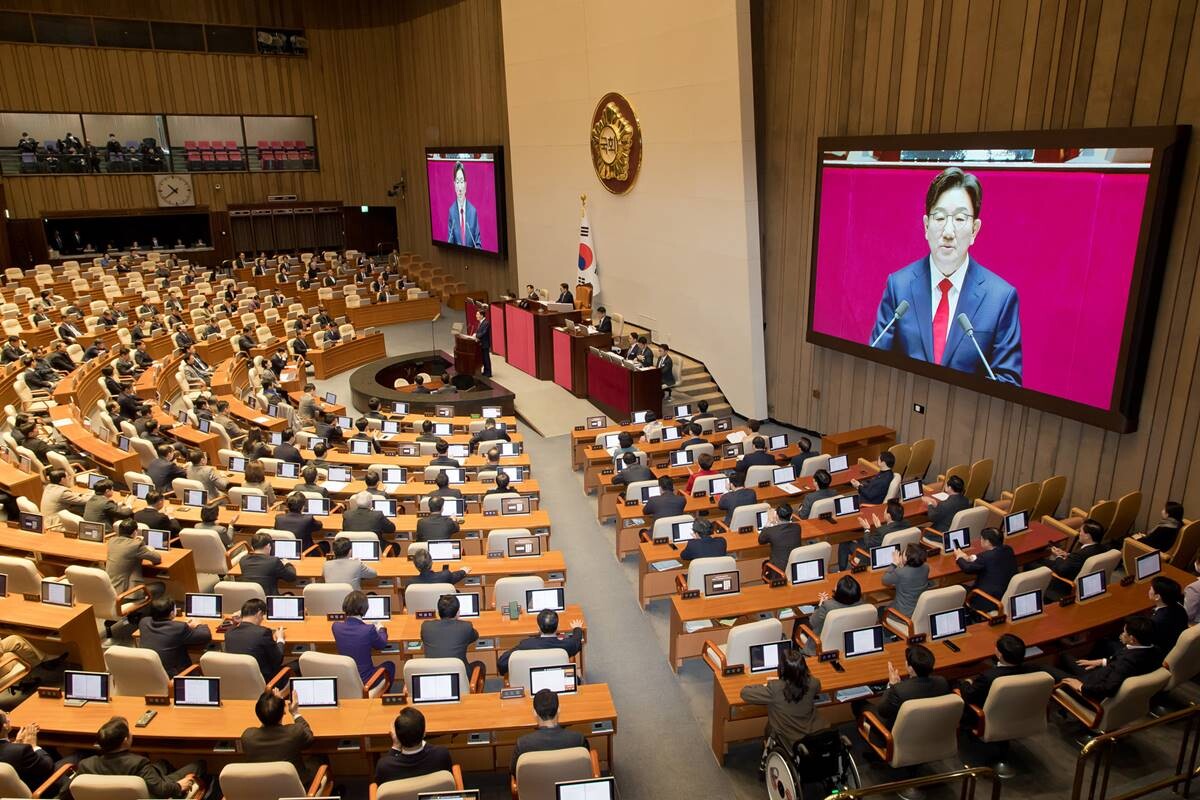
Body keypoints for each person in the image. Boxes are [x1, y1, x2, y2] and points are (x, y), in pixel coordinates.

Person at [870, 166, 1022, 384]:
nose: (948, 232)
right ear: (926, 226)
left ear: (974, 230)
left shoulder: (1000, 299)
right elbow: (875, 364)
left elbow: (1008, 383)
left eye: (960, 219)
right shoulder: (899, 287)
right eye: (940, 218)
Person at [73, 716, 201, 798]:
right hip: (153, 792)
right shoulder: (138, 764)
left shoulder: (86, 765)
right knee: (198, 765)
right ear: (125, 740)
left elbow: (66, 794)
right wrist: (179, 786)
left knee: (162, 763)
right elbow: (161, 790)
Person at [739, 648, 827, 754]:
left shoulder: (775, 688)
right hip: (814, 731)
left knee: (769, 727)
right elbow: (815, 688)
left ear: (782, 669)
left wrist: (764, 686)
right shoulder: (814, 683)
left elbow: (744, 693)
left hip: (789, 736)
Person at [1052, 616, 1162, 700]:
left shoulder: (1127, 662)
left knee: (1039, 667)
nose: (1122, 634)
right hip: (1098, 675)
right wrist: (1102, 662)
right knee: (1063, 656)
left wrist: (1080, 687)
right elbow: (1120, 665)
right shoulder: (1154, 650)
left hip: (1089, 690)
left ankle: (1066, 695)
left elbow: (1108, 689)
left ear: (1133, 639)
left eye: (1125, 632)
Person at [240, 690, 321, 785]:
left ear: (257, 713)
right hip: (296, 787)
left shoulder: (248, 737)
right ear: (284, 712)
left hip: (262, 787)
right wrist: (295, 713)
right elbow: (309, 738)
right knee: (320, 758)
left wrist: (274, 705)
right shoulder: (294, 732)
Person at [865, 644, 950, 727]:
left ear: (910, 668)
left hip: (901, 734)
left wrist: (891, 685)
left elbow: (883, 711)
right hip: (933, 728)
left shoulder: (899, 690)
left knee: (860, 705)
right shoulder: (942, 682)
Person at [510, 689, 588, 773]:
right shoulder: (578, 740)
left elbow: (514, 771)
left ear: (534, 713)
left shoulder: (522, 745)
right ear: (559, 710)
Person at [332, 591, 394, 687]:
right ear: (365, 609)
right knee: (390, 665)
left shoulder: (335, 627)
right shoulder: (368, 630)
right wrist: (381, 629)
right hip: (367, 680)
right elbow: (381, 645)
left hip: (346, 678)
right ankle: (381, 694)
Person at [138, 596, 211, 677]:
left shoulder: (144, 622)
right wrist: (199, 624)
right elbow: (206, 636)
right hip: (174, 676)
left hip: (149, 673)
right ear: (172, 613)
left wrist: (184, 626)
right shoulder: (179, 628)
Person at [375, 708, 454, 783]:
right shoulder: (442, 754)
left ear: (397, 736)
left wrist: (395, 746)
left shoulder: (384, 766)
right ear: (424, 733)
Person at [958, 633, 1036, 709]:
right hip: (1020, 709)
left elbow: (969, 696)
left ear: (1000, 655)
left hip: (986, 715)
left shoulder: (988, 677)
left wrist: (966, 682)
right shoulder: (1032, 670)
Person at [497, 609, 584, 675]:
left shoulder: (526, 644)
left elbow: (501, 664)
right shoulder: (567, 645)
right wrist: (577, 629)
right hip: (557, 680)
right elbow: (577, 641)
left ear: (538, 628)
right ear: (558, 627)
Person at [225, 598, 288, 682]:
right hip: (264, 681)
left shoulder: (229, 632)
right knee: (296, 664)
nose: (262, 619)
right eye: (263, 616)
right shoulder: (263, 633)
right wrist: (280, 639)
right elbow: (278, 660)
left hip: (237, 681)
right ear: (259, 613)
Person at [420, 594, 482, 676]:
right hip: (459, 677)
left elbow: (423, 638)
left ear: (438, 612)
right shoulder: (466, 627)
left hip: (433, 675)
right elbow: (475, 636)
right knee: (480, 665)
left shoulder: (426, 626)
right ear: (458, 612)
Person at [958, 527, 1018, 611]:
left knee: (958, 589)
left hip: (987, 599)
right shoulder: (1008, 549)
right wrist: (971, 558)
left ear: (987, 542)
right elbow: (986, 556)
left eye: (981, 539)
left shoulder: (987, 557)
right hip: (1004, 592)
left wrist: (959, 557)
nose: (980, 541)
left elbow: (967, 569)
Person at [1045, 518, 1106, 599]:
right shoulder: (1102, 549)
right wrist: (1067, 554)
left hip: (1064, 583)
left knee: (1034, 565)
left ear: (1087, 536)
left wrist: (1058, 556)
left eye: (1081, 531)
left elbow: (1061, 570)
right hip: (1083, 577)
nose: (1079, 533)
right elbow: (1079, 560)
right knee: (1042, 561)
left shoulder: (1080, 554)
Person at [801, 575, 864, 653]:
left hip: (820, 646)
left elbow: (813, 622)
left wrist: (820, 605)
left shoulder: (828, 606)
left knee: (801, 621)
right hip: (849, 642)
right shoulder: (862, 603)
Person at [840, 500, 909, 570]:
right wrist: (879, 528)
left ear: (888, 516)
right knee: (859, 539)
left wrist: (867, 529)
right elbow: (885, 534)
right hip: (897, 554)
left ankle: (841, 570)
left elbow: (868, 543)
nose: (884, 512)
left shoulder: (882, 531)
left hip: (874, 556)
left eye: (885, 511)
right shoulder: (907, 524)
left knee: (844, 544)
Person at [104, 518, 162, 599]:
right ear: (135, 532)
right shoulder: (136, 545)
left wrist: (135, 541)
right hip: (127, 594)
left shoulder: (111, 541)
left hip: (111, 591)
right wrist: (144, 546)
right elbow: (157, 558)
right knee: (160, 587)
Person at [0, 709, 56, 792]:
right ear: (5, 726)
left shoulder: (16, 750)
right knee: (76, 757)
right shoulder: (21, 751)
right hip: (36, 790)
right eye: (7, 715)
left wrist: (16, 744)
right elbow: (48, 767)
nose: (9, 718)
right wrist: (33, 745)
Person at [883, 543, 931, 619]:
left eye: (903, 553)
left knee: (881, 610)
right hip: (919, 610)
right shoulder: (926, 567)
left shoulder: (900, 572)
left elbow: (885, 580)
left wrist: (894, 564)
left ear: (906, 558)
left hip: (903, 614)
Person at [446, 161, 482, 248]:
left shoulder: (473, 212)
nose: (460, 187)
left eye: (462, 181)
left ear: (465, 185)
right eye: (457, 182)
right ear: (454, 185)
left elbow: (478, 244)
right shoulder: (451, 211)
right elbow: (449, 243)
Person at [1148, 576, 1188, 654]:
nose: (1149, 590)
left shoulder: (1156, 621)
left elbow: (1151, 641)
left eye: (1150, 589)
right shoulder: (1180, 607)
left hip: (1164, 652)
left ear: (1157, 597)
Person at [759, 504, 801, 573]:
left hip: (778, 571)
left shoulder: (771, 531)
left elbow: (761, 540)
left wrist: (769, 521)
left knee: (765, 563)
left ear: (777, 516)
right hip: (794, 568)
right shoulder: (797, 527)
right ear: (791, 516)